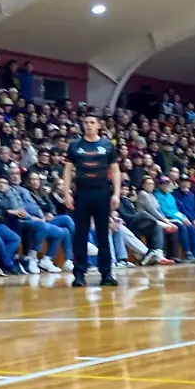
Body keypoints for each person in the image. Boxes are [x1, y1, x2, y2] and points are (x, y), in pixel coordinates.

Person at [63, 112, 120, 287]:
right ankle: (79, 274)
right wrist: (67, 193)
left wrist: (116, 193)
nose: (89, 125)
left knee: (103, 233)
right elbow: (68, 170)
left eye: (92, 122)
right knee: (81, 233)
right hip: (82, 192)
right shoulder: (75, 145)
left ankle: (106, 273)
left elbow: (115, 170)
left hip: (102, 192)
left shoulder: (108, 145)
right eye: (86, 122)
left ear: (99, 125)